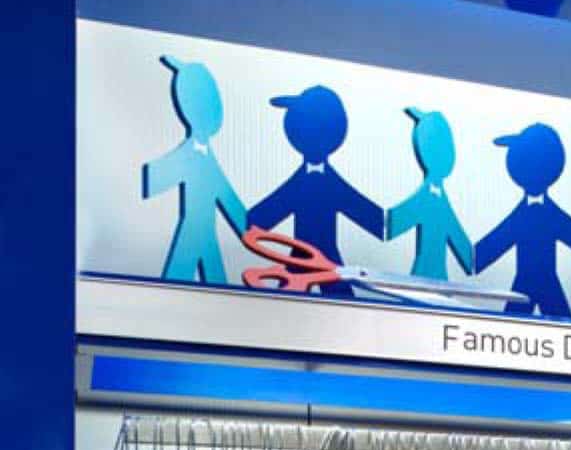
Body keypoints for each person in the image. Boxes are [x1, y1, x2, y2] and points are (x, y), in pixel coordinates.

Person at [248, 85, 384, 295]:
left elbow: (365, 212)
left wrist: (386, 224)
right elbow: (270, 210)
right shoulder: (301, 182)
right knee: (285, 303)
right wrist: (248, 222)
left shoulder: (331, 184)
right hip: (299, 255)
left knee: (341, 302)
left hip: (326, 256)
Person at [475, 123, 571, 318]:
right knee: (513, 329)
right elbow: (494, 244)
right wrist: (472, 258)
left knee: (561, 331)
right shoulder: (523, 215)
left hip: (548, 284)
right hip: (523, 285)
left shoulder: (549, 215)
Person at [143, 56, 248, 284]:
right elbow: (155, 178)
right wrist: (147, 178)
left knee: (217, 291)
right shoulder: (189, 155)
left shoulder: (208, 158)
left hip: (207, 234)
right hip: (192, 233)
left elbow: (226, 194)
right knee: (177, 286)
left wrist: (248, 227)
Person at [387, 107, 473, 280]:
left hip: (434, 278)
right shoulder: (433, 198)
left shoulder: (434, 199)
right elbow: (392, 224)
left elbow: (461, 242)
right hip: (425, 276)